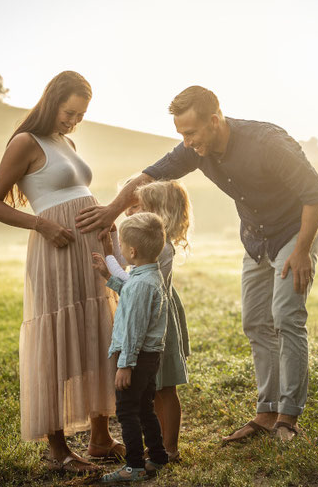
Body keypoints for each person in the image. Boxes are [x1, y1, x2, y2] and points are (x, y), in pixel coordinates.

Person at [75, 86, 318, 443]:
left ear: (214, 120)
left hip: (294, 232)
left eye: (191, 133)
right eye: (181, 134)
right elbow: (147, 176)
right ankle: (266, 413)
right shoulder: (197, 149)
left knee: (286, 317)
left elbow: (315, 194)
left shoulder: (267, 142)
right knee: (256, 321)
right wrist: (111, 212)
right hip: (256, 237)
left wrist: (302, 251)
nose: (187, 142)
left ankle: (288, 417)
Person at [0, 71, 123, 473]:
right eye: (69, 112)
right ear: (52, 101)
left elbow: (79, 193)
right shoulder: (25, 142)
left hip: (90, 247)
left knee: (98, 333)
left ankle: (100, 438)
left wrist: (103, 221)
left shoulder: (68, 142)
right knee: (57, 339)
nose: (73, 121)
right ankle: (58, 449)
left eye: (80, 116)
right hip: (56, 249)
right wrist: (40, 224)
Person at [103, 180, 191, 462]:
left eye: (137, 208)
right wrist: (113, 243)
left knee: (166, 388)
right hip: (151, 315)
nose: (130, 213)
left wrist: (109, 271)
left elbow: (134, 280)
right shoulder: (152, 249)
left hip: (158, 322)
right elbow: (129, 259)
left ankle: (170, 447)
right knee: (154, 387)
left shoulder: (163, 251)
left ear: (157, 213)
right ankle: (160, 445)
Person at [91, 212, 170, 482]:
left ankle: (134, 466)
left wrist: (125, 365)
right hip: (149, 358)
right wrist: (107, 270)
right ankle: (158, 457)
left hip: (136, 359)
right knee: (145, 407)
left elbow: (134, 330)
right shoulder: (148, 277)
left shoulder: (140, 285)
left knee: (127, 411)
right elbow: (129, 289)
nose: (122, 250)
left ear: (132, 251)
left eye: (123, 246)